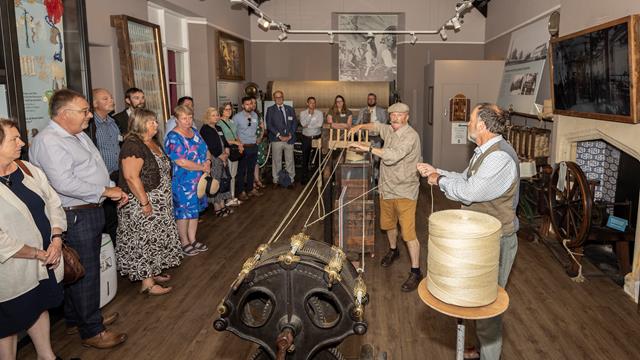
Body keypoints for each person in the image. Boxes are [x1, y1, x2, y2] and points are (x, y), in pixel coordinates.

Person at [417, 103, 519, 360]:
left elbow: (470, 192)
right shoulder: (484, 151)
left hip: (496, 242)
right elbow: (465, 179)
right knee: (474, 299)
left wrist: (439, 181)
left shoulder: (499, 157)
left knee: (487, 308)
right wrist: (437, 172)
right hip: (479, 240)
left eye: (471, 119)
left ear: (482, 126)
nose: (468, 123)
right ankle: (481, 348)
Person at [29, 89, 128, 349]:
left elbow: (94, 167)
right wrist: (106, 190)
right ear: (64, 114)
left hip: (90, 209)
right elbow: (64, 183)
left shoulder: (77, 135)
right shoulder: (50, 141)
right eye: (84, 111)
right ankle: (92, 330)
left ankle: (78, 319)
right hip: (76, 215)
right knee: (86, 273)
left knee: (78, 270)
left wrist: (109, 187)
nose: (89, 115)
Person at [0, 119, 65, 360]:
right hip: (12, 270)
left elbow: (54, 203)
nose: (22, 143)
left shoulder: (27, 169)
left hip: (46, 259)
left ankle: (47, 356)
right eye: (14, 139)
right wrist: (38, 253)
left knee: (39, 307)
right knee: (6, 325)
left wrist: (56, 238)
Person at [349, 102, 423, 292]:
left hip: (405, 190)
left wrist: (367, 149)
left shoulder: (411, 136)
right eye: (392, 115)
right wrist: (359, 126)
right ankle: (393, 250)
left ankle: (416, 271)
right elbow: (376, 127)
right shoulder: (389, 129)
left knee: (408, 233)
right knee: (388, 224)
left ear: (407, 116)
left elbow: (392, 156)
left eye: (399, 115)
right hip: (386, 188)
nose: (395, 118)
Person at [117, 109, 182, 296]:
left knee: (155, 239)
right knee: (144, 240)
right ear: (139, 124)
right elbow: (130, 177)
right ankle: (147, 283)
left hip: (160, 201)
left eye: (155, 121)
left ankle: (153, 271)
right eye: (150, 122)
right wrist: (145, 202)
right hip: (142, 202)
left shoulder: (152, 142)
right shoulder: (132, 145)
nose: (155, 124)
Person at [164, 104, 211, 257]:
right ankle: (183, 241)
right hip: (183, 182)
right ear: (176, 119)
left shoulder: (195, 132)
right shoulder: (173, 137)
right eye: (184, 118)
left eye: (190, 117)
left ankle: (193, 239)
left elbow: (206, 149)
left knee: (194, 211)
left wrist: (208, 162)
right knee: (183, 213)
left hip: (199, 180)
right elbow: (180, 161)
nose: (188, 121)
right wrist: (201, 167)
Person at [89, 88, 121, 245]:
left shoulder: (112, 122)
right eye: (105, 99)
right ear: (94, 103)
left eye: (111, 97)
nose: (111, 101)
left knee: (116, 217)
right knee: (106, 219)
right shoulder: (91, 125)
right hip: (102, 178)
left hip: (116, 174)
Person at [200, 107, 234, 217]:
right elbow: (209, 146)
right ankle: (217, 208)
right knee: (215, 183)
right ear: (208, 117)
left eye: (217, 115)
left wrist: (227, 152)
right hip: (214, 159)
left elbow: (224, 141)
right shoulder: (205, 129)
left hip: (223, 157)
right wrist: (221, 157)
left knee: (223, 182)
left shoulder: (218, 127)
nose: (216, 117)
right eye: (213, 115)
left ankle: (223, 205)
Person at [232, 97, 263, 200]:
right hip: (243, 147)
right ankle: (241, 191)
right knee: (242, 171)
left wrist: (259, 137)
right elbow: (234, 132)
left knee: (251, 170)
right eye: (247, 104)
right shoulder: (237, 117)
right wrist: (239, 144)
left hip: (253, 146)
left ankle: (250, 189)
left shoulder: (255, 115)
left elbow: (257, 129)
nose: (249, 106)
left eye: (251, 104)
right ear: (242, 105)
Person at [265, 90, 297, 188]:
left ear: (283, 98)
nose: (279, 99)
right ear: (274, 99)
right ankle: (276, 180)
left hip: (289, 139)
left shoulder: (290, 109)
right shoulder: (270, 110)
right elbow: (269, 125)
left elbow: (294, 122)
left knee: (290, 160)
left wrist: (290, 135)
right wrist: (279, 135)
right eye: (277, 97)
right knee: (276, 160)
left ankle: (290, 180)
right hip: (276, 139)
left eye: (281, 97)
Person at [356, 93, 388, 181]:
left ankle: (376, 178)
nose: (370, 100)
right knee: (367, 158)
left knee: (376, 158)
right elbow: (358, 123)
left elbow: (384, 125)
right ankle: (367, 178)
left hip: (377, 138)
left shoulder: (381, 111)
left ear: (375, 100)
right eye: (369, 99)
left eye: (372, 99)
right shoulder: (362, 111)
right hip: (366, 137)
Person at [218, 102, 243, 206]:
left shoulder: (232, 122)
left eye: (230, 109)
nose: (228, 111)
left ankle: (232, 196)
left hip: (234, 150)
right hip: (226, 151)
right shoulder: (219, 124)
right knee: (227, 175)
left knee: (233, 175)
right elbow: (223, 140)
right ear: (222, 111)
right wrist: (235, 142)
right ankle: (227, 198)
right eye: (226, 109)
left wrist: (240, 144)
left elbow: (236, 135)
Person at [298, 96, 323, 184]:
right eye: (311, 102)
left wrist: (309, 125)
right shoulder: (302, 113)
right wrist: (309, 115)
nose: (313, 104)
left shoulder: (319, 113)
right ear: (307, 103)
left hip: (317, 137)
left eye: (314, 102)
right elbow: (303, 124)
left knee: (317, 159)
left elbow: (319, 124)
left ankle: (317, 178)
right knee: (305, 158)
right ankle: (304, 178)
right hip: (306, 138)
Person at [252, 97, 267, 190]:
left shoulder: (258, 114)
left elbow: (262, 127)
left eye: (254, 103)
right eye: (251, 103)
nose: (253, 105)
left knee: (257, 162)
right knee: (251, 162)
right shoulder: (245, 115)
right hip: (250, 141)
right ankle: (252, 182)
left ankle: (257, 179)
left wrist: (260, 137)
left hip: (259, 141)